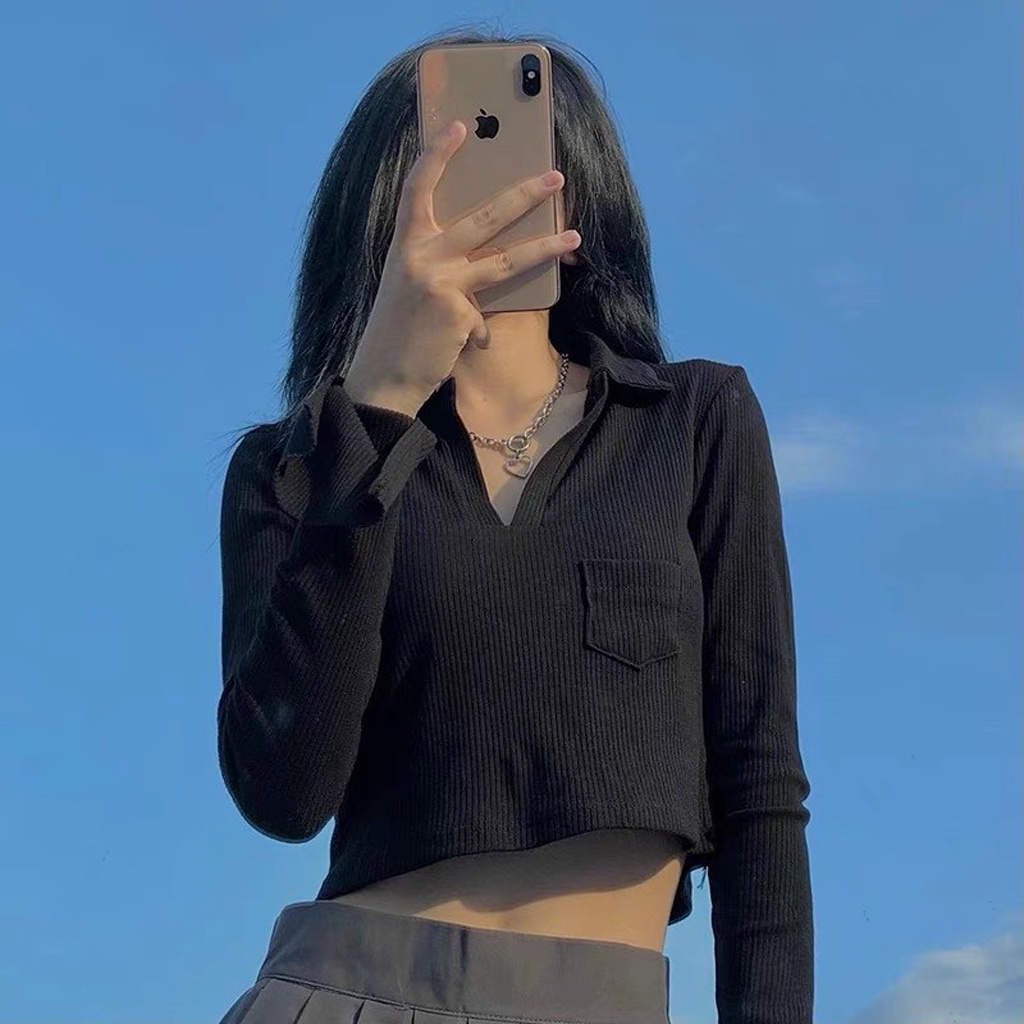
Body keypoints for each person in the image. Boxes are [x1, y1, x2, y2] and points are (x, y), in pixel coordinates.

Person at [214, 27, 814, 1024]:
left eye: (515, 156)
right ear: (381, 206)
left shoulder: (694, 424)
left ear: (578, 189)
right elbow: (283, 792)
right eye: (441, 170)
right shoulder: (295, 466)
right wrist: (377, 409)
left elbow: (760, 789)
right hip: (345, 991)